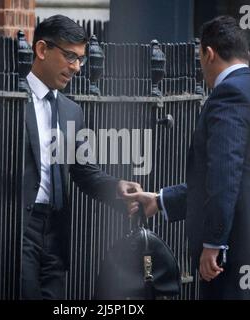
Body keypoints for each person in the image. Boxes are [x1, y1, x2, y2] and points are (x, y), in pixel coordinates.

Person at [124, 16, 250, 299]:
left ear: (208, 53)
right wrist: (159, 200)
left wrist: (214, 243)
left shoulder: (228, 94)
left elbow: (225, 173)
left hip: (235, 253)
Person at [22, 15, 141, 299]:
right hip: (17, 226)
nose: (76, 67)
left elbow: (83, 170)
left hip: (55, 232)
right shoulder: (11, 98)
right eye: (69, 56)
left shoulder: (71, 110)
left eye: (80, 59)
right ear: (41, 50)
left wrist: (116, 187)